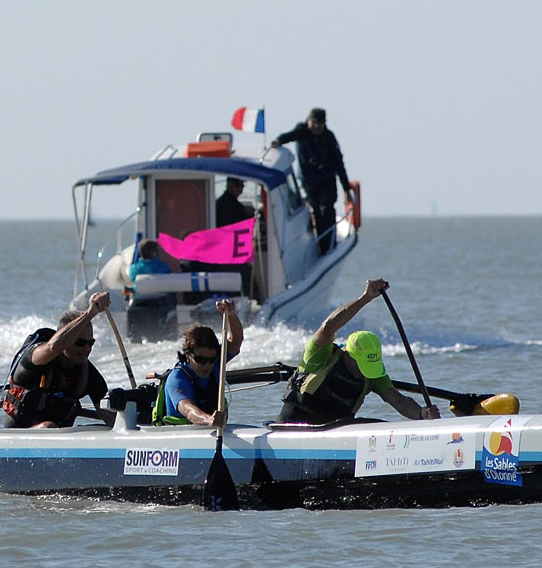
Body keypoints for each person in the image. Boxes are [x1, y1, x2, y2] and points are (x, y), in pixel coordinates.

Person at [277, 277, 436, 425]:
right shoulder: (320, 355)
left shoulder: (374, 373)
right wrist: (365, 298)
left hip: (335, 435)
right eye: (362, 364)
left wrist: (422, 414)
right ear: (348, 355)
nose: (364, 371)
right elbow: (328, 327)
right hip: (292, 427)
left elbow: (398, 401)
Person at [3, 292, 113, 429]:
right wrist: (91, 313)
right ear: (65, 339)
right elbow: (53, 347)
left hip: (61, 436)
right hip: (20, 433)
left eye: (90, 343)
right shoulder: (37, 356)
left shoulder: (87, 373)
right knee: (48, 427)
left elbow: (111, 420)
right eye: (80, 342)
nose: (86, 348)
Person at [269, 108, 352, 252]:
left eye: (320, 123)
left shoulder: (329, 138)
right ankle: (321, 243)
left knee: (326, 208)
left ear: (324, 124)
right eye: (314, 123)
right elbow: (289, 136)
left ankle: (329, 244)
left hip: (327, 181)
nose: (316, 126)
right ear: (308, 121)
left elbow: (339, 164)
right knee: (316, 211)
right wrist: (278, 141)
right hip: (309, 182)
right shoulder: (301, 131)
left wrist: (346, 189)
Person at [152, 299, 244, 426]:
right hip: (181, 433)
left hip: (212, 429)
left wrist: (231, 315)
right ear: (188, 355)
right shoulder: (177, 378)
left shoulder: (216, 363)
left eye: (211, 360)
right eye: (201, 360)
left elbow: (236, 340)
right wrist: (209, 420)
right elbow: (188, 410)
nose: (207, 365)